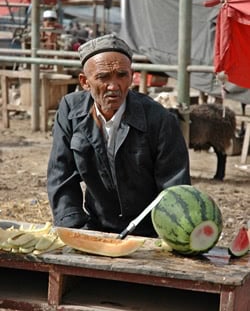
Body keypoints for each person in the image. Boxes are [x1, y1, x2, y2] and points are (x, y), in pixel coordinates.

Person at [47, 34, 191, 237]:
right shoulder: (70, 110)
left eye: (122, 75)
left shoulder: (159, 119)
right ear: (84, 81)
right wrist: (74, 231)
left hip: (150, 232)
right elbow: (61, 176)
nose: (114, 86)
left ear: (131, 77)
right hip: (96, 226)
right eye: (103, 77)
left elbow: (175, 188)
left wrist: (172, 237)